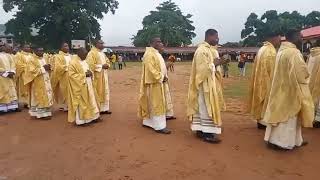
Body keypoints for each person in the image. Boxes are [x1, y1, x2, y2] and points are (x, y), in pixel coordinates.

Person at [264, 29, 314, 150]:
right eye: (300, 37)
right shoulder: (294, 53)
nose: (302, 39)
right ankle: (281, 142)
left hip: (279, 89)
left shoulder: (281, 51)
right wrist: (307, 73)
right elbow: (301, 73)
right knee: (288, 117)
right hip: (290, 90)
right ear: (295, 38)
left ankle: (290, 140)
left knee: (279, 114)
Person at [187, 29, 225, 143]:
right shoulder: (201, 50)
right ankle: (208, 133)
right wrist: (215, 63)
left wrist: (217, 64)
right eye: (216, 37)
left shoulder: (209, 49)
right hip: (204, 85)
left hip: (209, 83)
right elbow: (201, 70)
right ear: (210, 36)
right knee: (205, 108)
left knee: (202, 108)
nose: (217, 39)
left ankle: (200, 130)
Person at [138, 37, 172, 134]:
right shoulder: (149, 54)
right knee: (156, 103)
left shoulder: (156, 53)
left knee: (154, 103)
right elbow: (151, 69)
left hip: (159, 82)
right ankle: (159, 126)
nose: (161, 43)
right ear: (152, 43)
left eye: (161, 41)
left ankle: (148, 122)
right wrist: (161, 77)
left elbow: (160, 67)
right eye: (159, 42)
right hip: (154, 83)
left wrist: (165, 70)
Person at [248, 32, 281, 129]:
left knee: (260, 102)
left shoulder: (262, 49)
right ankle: (264, 123)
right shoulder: (271, 51)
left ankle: (260, 122)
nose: (279, 42)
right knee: (266, 103)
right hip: (266, 82)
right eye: (279, 39)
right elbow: (273, 71)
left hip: (258, 82)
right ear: (274, 38)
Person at [68, 48, 100, 126]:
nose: (86, 56)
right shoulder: (73, 63)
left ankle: (92, 117)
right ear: (79, 53)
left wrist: (90, 73)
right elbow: (71, 76)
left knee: (91, 100)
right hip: (80, 86)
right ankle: (81, 121)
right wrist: (84, 75)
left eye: (86, 54)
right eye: (85, 54)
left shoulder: (85, 61)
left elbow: (89, 71)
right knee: (82, 103)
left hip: (89, 84)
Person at [25, 47, 53, 119]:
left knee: (46, 96)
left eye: (42, 50)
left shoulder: (43, 58)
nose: (41, 52)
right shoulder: (31, 60)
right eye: (39, 51)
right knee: (39, 97)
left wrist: (49, 67)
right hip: (37, 82)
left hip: (45, 80)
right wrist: (44, 68)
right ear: (35, 51)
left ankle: (46, 112)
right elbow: (31, 71)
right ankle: (41, 114)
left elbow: (48, 68)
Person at [87, 40, 112, 114]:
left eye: (103, 43)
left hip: (104, 75)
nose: (102, 44)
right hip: (97, 76)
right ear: (96, 44)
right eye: (101, 43)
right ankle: (98, 109)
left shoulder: (102, 54)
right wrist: (101, 66)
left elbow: (107, 61)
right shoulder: (91, 53)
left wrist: (108, 65)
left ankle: (104, 109)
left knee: (105, 91)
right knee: (98, 91)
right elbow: (90, 65)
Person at [52, 42, 72, 112]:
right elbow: (58, 67)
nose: (67, 47)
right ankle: (64, 105)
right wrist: (68, 67)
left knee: (71, 90)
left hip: (71, 76)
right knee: (64, 90)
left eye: (67, 46)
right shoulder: (57, 56)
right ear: (61, 48)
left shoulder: (71, 56)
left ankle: (70, 105)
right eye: (65, 46)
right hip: (63, 76)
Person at [0, 44, 19, 113]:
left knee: (11, 91)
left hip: (10, 76)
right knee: (3, 91)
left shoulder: (8, 56)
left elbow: (13, 65)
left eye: (3, 46)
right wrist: (6, 73)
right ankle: (2, 109)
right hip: (2, 77)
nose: (2, 47)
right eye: (1, 46)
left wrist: (12, 72)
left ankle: (12, 107)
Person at [307, 40, 320, 128]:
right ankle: (316, 120)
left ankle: (309, 118)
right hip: (317, 81)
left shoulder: (310, 55)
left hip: (308, 80)